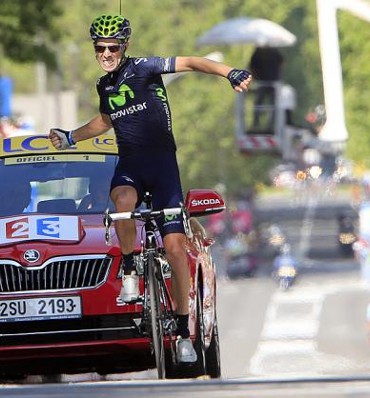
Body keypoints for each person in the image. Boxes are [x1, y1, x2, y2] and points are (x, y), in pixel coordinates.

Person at [49, 14, 251, 363]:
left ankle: (184, 331)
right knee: (123, 205)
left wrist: (229, 72)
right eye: (101, 48)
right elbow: (106, 121)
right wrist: (70, 136)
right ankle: (129, 265)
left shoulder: (144, 68)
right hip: (130, 167)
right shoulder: (104, 85)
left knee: (175, 248)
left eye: (113, 47)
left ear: (124, 46)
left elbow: (189, 62)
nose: (107, 53)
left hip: (163, 169)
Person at [248, 47, 284, 130]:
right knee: (272, 104)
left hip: (262, 82)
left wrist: (254, 77)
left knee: (259, 104)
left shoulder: (259, 51)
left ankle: (257, 124)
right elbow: (282, 62)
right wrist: (278, 74)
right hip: (271, 82)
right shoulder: (273, 50)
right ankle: (269, 125)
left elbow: (252, 66)